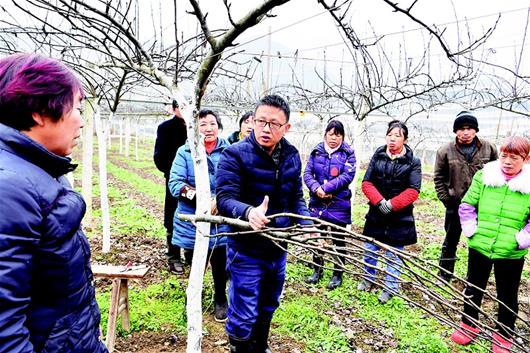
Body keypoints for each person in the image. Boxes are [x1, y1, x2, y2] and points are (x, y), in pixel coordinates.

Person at [0, 53, 108, 352]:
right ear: (39, 111)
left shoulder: (39, 170)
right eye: (76, 108)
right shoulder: (10, 188)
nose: (82, 122)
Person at [216, 94, 312, 353]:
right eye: (261, 121)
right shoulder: (234, 155)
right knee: (244, 308)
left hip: (278, 247)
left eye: (274, 124)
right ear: (253, 121)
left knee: (269, 302)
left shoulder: (291, 155)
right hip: (246, 247)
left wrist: (305, 224)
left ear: (286, 127)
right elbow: (225, 198)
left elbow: (296, 196)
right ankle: (240, 348)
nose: (266, 129)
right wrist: (248, 213)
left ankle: (260, 345)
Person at [450, 136, 529, 353]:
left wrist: (521, 239)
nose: (507, 161)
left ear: (526, 158)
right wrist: (471, 230)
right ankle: (468, 325)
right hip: (480, 244)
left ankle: (504, 334)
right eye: (504, 155)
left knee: (507, 294)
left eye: (515, 157)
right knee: (473, 287)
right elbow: (467, 204)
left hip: (510, 251)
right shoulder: (485, 176)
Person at [168, 108, 230, 322]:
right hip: (192, 219)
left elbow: (234, 181)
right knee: (196, 262)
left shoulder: (228, 151)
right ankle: (193, 297)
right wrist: (201, 198)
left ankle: (221, 298)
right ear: (194, 128)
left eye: (212, 123)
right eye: (203, 124)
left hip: (220, 216)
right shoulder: (185, 152)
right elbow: (175, 184)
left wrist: (220, 201)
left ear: (218, 126)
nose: (208, 128)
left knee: (221, 260)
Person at [357, 120, 422, 303]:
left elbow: (413, 190)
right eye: (390, 135)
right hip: (376, 213)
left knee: (394, 253)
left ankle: (390, 287)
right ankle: (368, 278)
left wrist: (392, 204)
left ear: (405, 139)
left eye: (397, 136)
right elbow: (366, 182)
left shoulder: (413, 162)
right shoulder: (378, 156)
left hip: (400, 216)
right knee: (370, 248)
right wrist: (379, 201)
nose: (392, 139)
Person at [434, 111, 498, 282]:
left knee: (477, 244)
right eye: (461, 128)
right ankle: (444, 275)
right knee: (450, 241)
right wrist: (447, 200)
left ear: (475, 130)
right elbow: (438, 178)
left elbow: (496, 174)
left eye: (469, 128)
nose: (465, 132)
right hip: (455, 205)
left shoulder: (489, 148)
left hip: (482, 206)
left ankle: (473, 278)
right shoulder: (444, 151)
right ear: (455, 131)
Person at [303, 120, 356, 290]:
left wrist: (326, 188)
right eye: (331, 134)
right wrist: (316, 188)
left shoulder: (348, 153)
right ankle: (317, 270)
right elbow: (307, 173)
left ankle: (337, 274)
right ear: (325, 134)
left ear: (342, 136)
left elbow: (347, 176)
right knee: (318, 238)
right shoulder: (316, 152)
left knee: (338, 239)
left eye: (338, 134)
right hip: (317, 202)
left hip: (338, 203)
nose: (334, 138)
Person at [154, 99, 187, 274]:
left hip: (197, 182)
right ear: (174, 109)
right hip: (174, 180)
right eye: (182, 106)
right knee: (173, 215)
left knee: (193, 214)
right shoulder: (165, 128)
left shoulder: (197, 127)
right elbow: (159, 157)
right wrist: (175, 174)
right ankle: (174, 256)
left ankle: (190, 252)